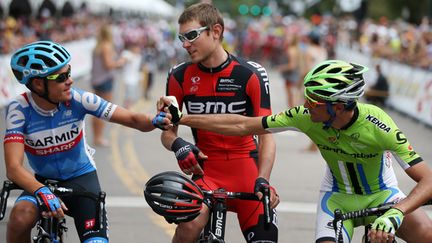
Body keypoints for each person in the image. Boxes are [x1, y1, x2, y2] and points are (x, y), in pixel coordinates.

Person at [160, 60, 432, 243]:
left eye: (313, 101)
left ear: (337, 106)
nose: (305, 104)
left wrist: (398, 211)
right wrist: (182, 118)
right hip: (337, 200)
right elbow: (243, 124)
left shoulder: (378, 124)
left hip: (383, 197)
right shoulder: (305, 116)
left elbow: (428, 180)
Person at [5, 40, 171, 243]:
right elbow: (13, 167)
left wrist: (155, 120)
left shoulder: (79, 100)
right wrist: (41, 190)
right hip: (42, 181)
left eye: (70, 72)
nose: (70, 81)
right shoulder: (18, 109)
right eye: (61, 77)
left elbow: (134, 120)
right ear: (38, 84)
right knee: (20, 216)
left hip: (81, 178)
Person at [160, 3, 279, 243]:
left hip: (248, 173)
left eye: (192, 35)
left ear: (215, 31)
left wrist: (264, 179)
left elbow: (266, 134)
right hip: (207, 174)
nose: (185, 44)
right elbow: (167, 132)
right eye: (182, 37)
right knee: (188, 229)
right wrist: (178, 145)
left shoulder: (251, 73)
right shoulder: (178, 76)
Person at [90, 23, 126, 146]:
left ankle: (96, 136)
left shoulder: (98, 46)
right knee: (103, 110)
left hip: (97, 80)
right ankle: (99, 137)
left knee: (96, 109)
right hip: (105, 80)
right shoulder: (107, 46)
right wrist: (120, 62)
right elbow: (108, 64)